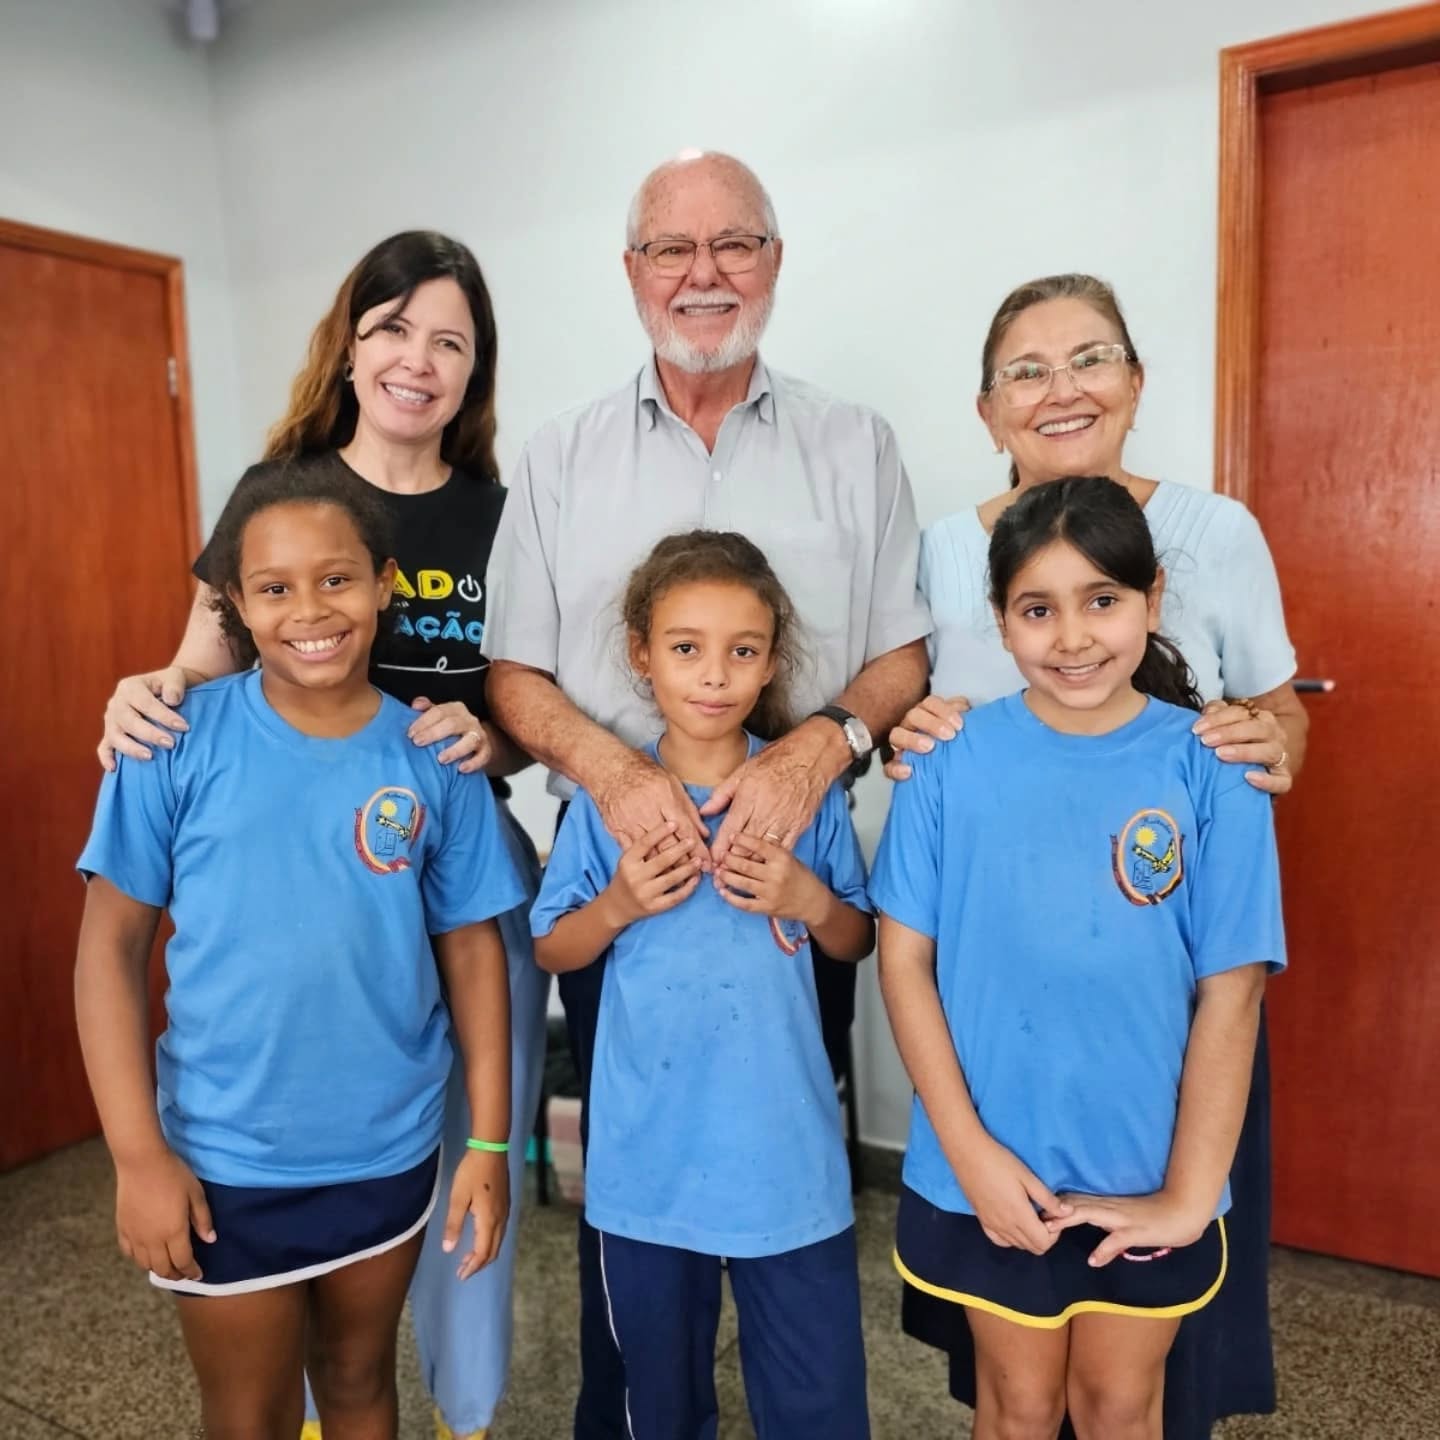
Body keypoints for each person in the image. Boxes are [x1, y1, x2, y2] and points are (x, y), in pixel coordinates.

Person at [484, 150, 930, 1438]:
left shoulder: (856, 444)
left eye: (734, 243)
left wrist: (816, 751)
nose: (704, 273)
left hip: (792, 859)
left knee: (789, 1178)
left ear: (773, 261)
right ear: (632, 271)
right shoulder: (560, 455)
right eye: (671, 248)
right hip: (623, 864)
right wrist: (616, 778)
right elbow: (512, 672)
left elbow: (903, 651)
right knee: (640, 1240)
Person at [95, 230, 545, 1440]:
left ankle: (467, 1409)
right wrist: (147, 699)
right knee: (260, 1382)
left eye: (450, 340)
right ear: (351, 346)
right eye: (394, 328)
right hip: (268, 952)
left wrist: (491, 747)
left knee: (456, 1196)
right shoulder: (274, 492)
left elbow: (534, 704)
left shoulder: (510, 517)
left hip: (442, 860)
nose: (418, 359)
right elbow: (199, 669)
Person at [884, 273, 1306, 1436]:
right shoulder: (948, 751)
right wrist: (968, 1153)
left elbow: (1233, 985)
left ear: (1151, 600)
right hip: (992, 1134)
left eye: (1104, 602)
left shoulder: (1210, 757)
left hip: (1149, 1126)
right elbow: (905, 957)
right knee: (1015, 1399)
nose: (1073, 636)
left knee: (1126, 1400)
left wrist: (1191, 1189)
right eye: (1037, 611)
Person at [531, 531, 873, 1439]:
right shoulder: (611, 803)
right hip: (648, 1165)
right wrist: (618, 904)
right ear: (642, 655)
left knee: (817, 1404)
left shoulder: (804, 798)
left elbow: (855, 938)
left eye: (743, 651)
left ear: (772, 663)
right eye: (686, 647)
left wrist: (807, 897)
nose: (715, 674)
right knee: (660, 1406)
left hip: (787, 1161)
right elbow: (552, 949)